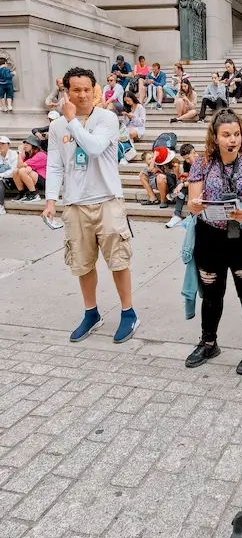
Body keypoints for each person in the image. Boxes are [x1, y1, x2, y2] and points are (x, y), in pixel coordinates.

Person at [44, 66, 138, 344]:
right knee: (82, 264)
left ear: (95, 90)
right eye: (76, 90)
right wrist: (51, 201)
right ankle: (91, 313)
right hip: (75, 205)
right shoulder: (56, 126)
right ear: (67, 92)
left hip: (107, 201)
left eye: (87, 89)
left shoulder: (107, 118)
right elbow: (54, 164)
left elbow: (95, 148)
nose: (82, 95)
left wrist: (73, 122)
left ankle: (128, 312)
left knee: (118, 261)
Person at [185, 108, 242, 375]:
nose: (232, 139)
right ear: (215, 137)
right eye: (226, 135)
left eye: (236, 134)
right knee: (211, 294)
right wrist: (197, 205)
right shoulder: (201, 163)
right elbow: (192, 203)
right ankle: (209, 342)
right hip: (210, 236)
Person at [165, 143, 199, 228]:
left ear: (194, 153)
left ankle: (193, 216)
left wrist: (183, 183)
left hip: (201, 186)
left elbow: (198, 180)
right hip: (191, 184)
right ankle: (177, 215)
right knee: (181, 189)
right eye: (185, 159)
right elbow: (189, 176)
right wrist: (183, 179)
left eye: (188, 158)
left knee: (188, 186)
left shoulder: (202, 161)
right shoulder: (186, 163)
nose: (187, 161)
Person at [11, 135, 47, 202]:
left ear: (33, 145)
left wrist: (20, 152)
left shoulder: (41, 155)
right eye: (24, 143)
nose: (25, 145)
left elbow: (21, 166)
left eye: (27, 143)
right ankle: (22, 193)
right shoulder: (27, 155)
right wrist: (22, 155)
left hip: (43, 181)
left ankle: (34, 194)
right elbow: (18, 166)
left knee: (22, 171)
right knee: (15, 171)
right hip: (31, 179)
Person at [0, 135, 17, 215]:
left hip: (13, 180)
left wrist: (2, 175)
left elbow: (14, 170)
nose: (0, 145)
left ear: (9, 145)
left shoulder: (14, 154)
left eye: (3, 143)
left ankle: (1, 206)